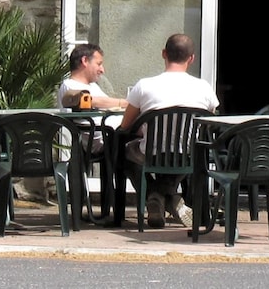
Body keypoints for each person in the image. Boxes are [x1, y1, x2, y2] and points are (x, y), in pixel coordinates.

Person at [120, 33, 217, 228]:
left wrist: (143, 128)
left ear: (164, 54)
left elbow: (125, 125)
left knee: (122, 153)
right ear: (192, 58)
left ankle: (153, 196)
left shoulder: (144, 85)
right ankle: (170, 196)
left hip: (151, 154)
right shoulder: (204, 88)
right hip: (187, 154)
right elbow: (210, 122)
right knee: (185, 153)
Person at [56, 43, 128, 111]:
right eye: (98, 64)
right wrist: (124, 103)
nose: (102, 70)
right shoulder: (69, 85)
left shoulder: (93, 86)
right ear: (85, 61)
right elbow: (88, 100)